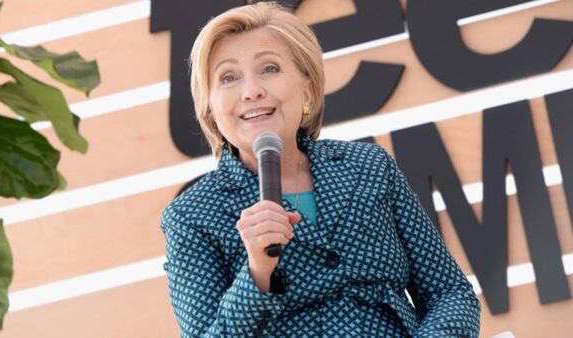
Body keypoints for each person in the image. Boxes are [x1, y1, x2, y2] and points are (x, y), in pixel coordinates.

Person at [160, 2, 481, 337]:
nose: (251, 90)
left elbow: (450, 293)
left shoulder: (370, 167)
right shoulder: (191, 217)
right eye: (228, 77)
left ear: (307, 89)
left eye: (269, 68)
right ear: (210, 109)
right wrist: (256, 271)